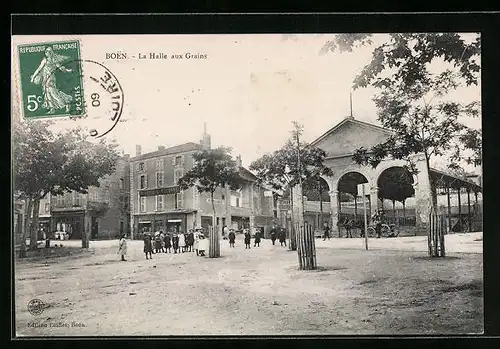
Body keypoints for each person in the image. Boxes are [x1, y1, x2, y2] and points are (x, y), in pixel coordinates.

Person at [30, 47, 74, 114]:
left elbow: (60, 67)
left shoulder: (54, 60)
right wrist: (33, 76)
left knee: (53, 93)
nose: (46, 53)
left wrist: (67, 70)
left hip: (51, 78)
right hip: (45, 78)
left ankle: (66, 103)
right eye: (45, 52)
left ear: (50, 52)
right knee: (48, 93)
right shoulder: (45, 60)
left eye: (47, 52)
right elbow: (39, 69)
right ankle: (52, 109)